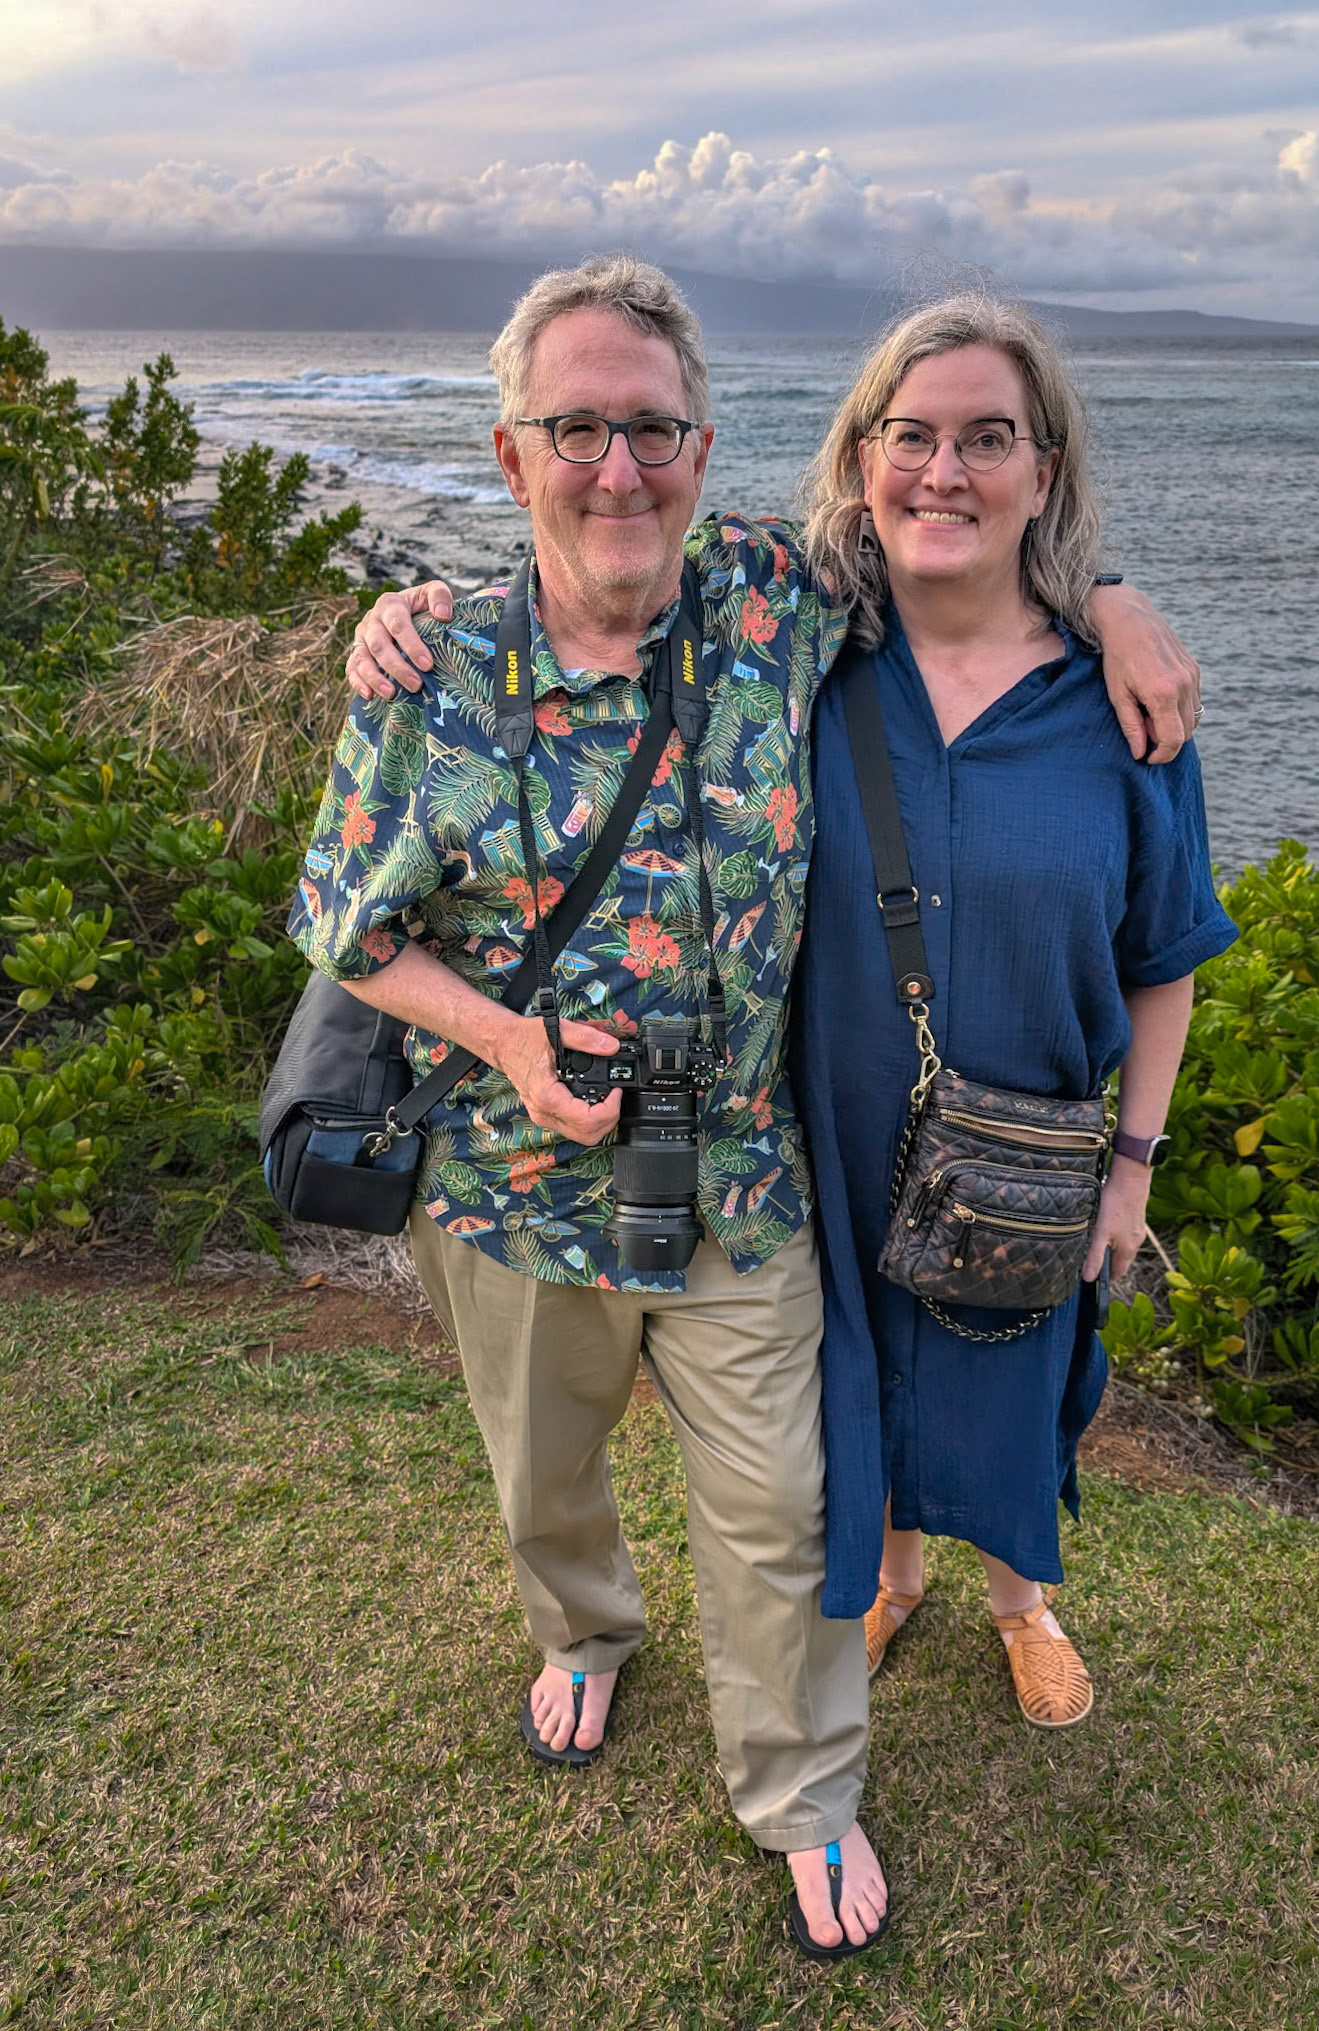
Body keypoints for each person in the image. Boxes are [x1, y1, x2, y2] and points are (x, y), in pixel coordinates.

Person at [324, 255, 1201, 1956]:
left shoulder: (778, 600)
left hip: (739, 1176)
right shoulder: (435, 670)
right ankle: (584, 1635)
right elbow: (348, 931)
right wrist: (505, 1040)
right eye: (574, 428)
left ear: (703, 448)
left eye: (650, 428)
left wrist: (1116, 601)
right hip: (513, 1182)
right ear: (512, 454)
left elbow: (970, 549)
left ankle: (802, 1795)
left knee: (783, 1512)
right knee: (545, 1474)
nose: (617, 467)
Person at [794, 297, 1237, 1720]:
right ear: (862, 460)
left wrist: (1133, 1168)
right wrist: (414, 616)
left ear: (1042, 473)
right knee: (857, 1370)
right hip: (832, 1133)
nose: (945, 471)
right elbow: (602, 591)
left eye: (988, 439)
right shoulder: (800, 669)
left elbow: (1163, 954)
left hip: (1031, 1150)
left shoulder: (1121, 709)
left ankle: (1020, 1601)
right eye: (912, 436)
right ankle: (891, 1575)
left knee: (1014, 1373)